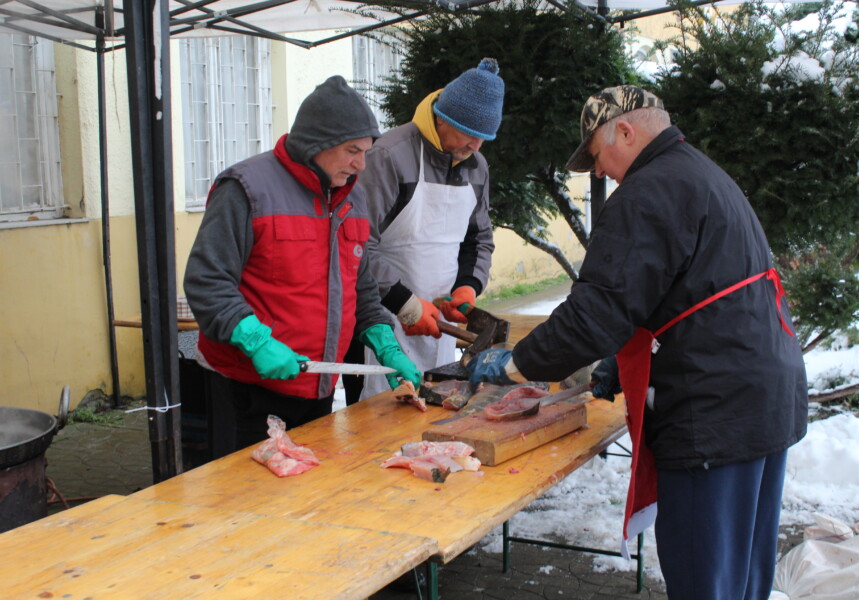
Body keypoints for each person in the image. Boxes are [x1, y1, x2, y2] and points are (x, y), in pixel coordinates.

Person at [466, 85, 808, 599]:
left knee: (705, 575)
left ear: (625, 131)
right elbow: (683, 289)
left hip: (714, 411)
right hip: (763, 396)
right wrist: (614, 362)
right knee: (742, 574)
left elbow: (595, 313)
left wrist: (516, 364)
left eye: (599, 156)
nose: (600, 172)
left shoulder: (648, 191)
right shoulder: (700, 173)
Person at [184, 75, 422, 460]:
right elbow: (206, 280)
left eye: (366, 151)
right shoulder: (246, 188)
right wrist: (256, 341)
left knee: (304, 503)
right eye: (352, 150)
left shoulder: (352, 197)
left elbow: (360, 288)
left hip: (317, 389)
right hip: (246, 388)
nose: (361, 164)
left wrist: (386, 344)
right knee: (247, 508)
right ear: (317, 144)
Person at [343, 57, 504, 404]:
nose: (475, 147)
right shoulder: (389, 156)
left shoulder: (476, 166)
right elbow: (356, 245)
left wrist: (468, 286)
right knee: (377, 423)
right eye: (469, 135)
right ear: (443, 119)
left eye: (483, 139)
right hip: (379, 319)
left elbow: (479, 239)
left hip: (441, 326)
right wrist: (404, 303)